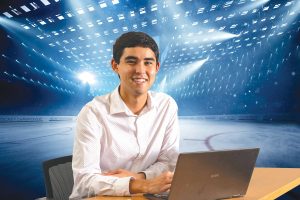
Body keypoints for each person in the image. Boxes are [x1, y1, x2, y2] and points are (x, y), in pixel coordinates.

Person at [70, 31, 180, 199]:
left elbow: (169, 163)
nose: (140, 70)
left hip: (146, 196)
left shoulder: (167, 105)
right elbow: (85, 182)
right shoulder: (93, 113)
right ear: (115, 66)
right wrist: (142, 185)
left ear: (156, 67)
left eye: (148, 62)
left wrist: (140, 177)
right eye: (131, 61)